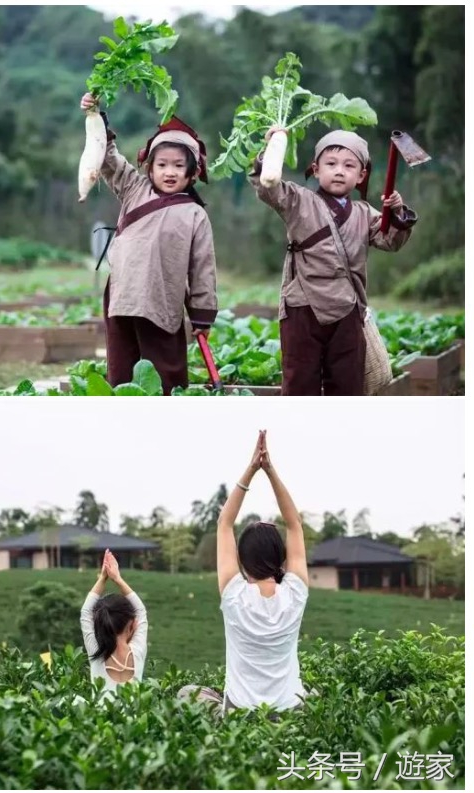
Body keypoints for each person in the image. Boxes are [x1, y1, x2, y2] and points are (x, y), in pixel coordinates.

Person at [250, 129, 418, 395]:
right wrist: (271, 150)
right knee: (299, 384)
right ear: (316, 170)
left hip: (347, 310)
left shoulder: (365, 213)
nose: (339, 171)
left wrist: (396, 211)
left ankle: (341, 434)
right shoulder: (298, 200)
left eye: (349, 165)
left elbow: (390, 241)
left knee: (346, 385)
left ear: (361, 175)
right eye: (331, 164)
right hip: (302, 307)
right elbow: (269, 188)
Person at [79, 93, 218, 395]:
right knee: (121, 369)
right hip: (123, 294)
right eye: (162, 164)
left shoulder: (194, 214)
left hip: (162, 298)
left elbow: (202, 269)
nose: (169, 172)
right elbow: (108, 159)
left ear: (192, 172)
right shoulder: (134, 188)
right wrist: (96, 116)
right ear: (149, 167)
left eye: (178, 166)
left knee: (166, 370)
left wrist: (202, 314)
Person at [178, 430, 309, 717]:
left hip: (241, 715)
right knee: (312, 693)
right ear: (281, 558)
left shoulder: (234, 594)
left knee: (187, 694)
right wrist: (270, 471)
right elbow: (295, 524)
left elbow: (224, 523)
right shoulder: (296, 593)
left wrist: (251, 470)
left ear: (242, 561)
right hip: (289, 711)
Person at [80, 549, 148, 695]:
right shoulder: (138, 651)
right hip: (133, 718)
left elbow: (85, 612)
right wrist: (117, 579)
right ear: (132, 624)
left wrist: (102, 577)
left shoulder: (96, 652)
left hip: (98, 718)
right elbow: (141, 612)